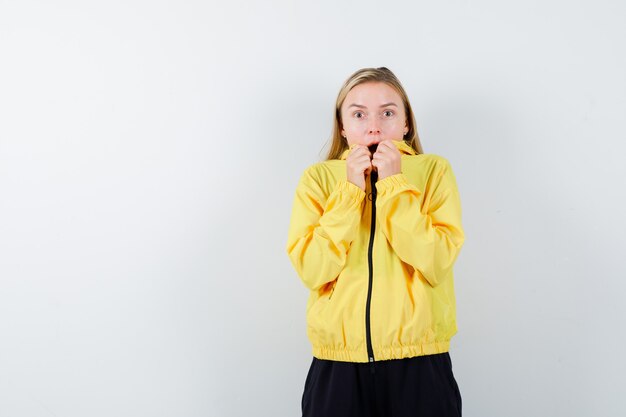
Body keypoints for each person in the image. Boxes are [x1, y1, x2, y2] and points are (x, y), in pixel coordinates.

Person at [285, 67, 466, 417]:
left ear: (406, 122)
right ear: (341, 126)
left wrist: (395, 184)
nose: (374, 126)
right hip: (338, 365)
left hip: (419, 361)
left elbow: (436, 259)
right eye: (358, 114)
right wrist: (351, 191)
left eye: (388, 112)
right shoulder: (318, 179)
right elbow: (312, 269)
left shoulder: (433, 172)